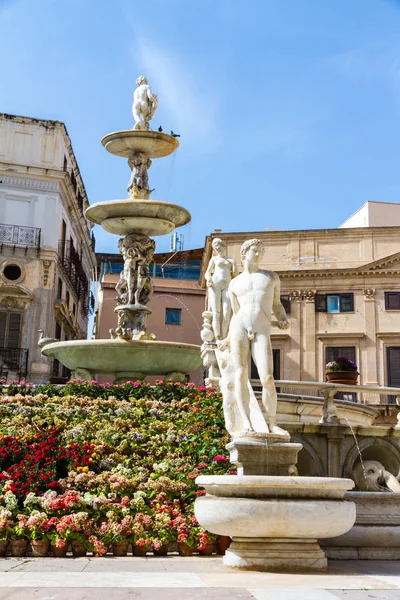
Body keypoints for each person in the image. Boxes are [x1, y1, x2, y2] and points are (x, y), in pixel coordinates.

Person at [227, 238, 289, 437]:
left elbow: (277, 304)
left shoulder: (271, 277)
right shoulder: (234, 283)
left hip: (262, 330)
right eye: (256, 250)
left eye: (262, 251)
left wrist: (283, 318)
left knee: (268, 377)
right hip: (239, 328)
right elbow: (234, 313)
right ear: (245, 253)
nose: (259, 254)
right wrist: (226, 339)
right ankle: (247, 423)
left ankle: (272, 423)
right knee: (240, 374)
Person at [205, 238, 237, 340]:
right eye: (214, 247)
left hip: (228, 286)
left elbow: (235, 276)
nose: (216, 248)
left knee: (227, 313)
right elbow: (207, 272)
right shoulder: (214, 259)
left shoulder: (231, 260)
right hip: (215, 285)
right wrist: (209, 279)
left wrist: (235, 266)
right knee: (216, 312)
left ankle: (225, 337)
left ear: (223, 246)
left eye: (217, 245)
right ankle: (217, 336)